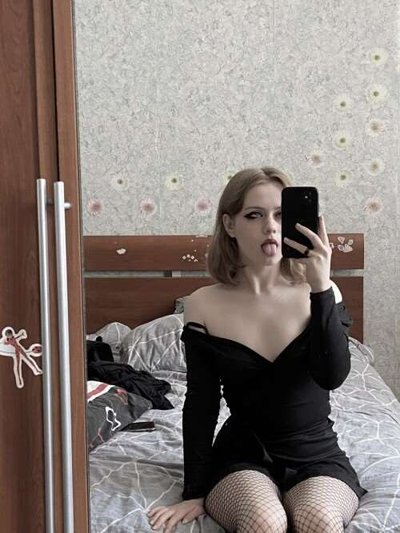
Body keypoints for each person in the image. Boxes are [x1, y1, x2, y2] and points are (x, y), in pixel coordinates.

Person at [148, 167, 366, 532]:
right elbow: (201, 403)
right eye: (255, 215)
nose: (271, 227)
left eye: (281, 215)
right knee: (264, 521)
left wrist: (321, 288)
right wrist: (194, 490)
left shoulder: (322, 293)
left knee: (319, 520)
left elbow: (332, 376)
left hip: (316, 455)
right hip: (241, 457)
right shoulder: (203, 304)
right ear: (229, 225)